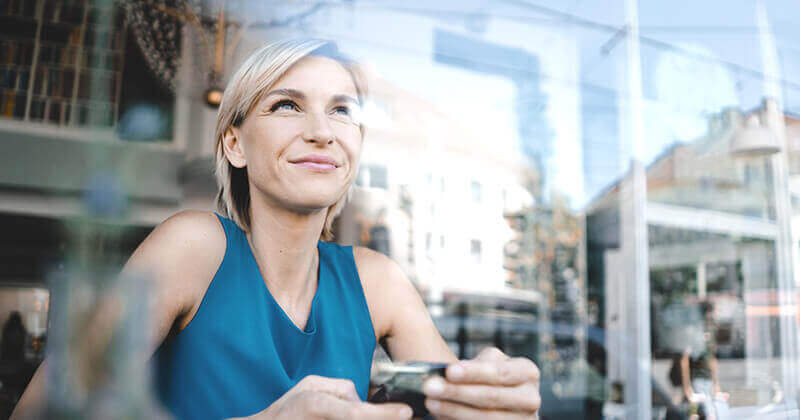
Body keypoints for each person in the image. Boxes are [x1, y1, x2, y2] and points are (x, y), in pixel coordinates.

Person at [11, 39, 540, 420]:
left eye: (342, 111)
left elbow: (465, 407)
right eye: (287, 105)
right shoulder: (193, 247)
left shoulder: (376, 280)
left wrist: (499, 400)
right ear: (234, 144)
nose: (321, 132)